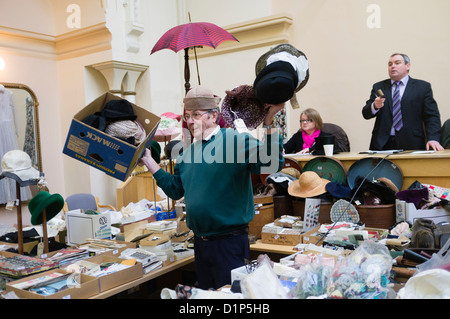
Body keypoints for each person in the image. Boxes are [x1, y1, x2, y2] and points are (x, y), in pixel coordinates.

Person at [139, 85, 285, 290]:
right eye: (188, 115)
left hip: (229, 244)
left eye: (196, 115)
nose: (190, 121)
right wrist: (148, 161)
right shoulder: (187, 152)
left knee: (231, 300)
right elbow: (174, 189)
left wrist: (269, 121)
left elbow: (272, 162)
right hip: (200, 244)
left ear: (213, 115)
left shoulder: (235, 141)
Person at [362, 53, 444, 151]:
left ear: (407, 66)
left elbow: (431, 116)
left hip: (412, 143)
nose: (393, 66)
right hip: (382, 144)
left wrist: (433, 138)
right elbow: (366, 113)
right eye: (390, 64)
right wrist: (374, 106)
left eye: (397, 63)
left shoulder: (422, 87)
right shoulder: (379, 87)